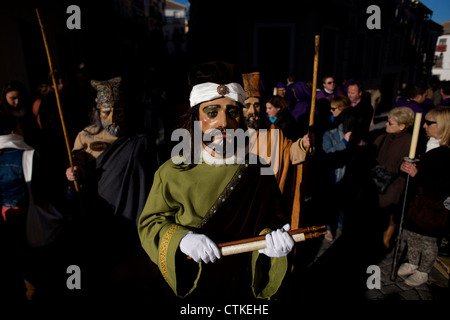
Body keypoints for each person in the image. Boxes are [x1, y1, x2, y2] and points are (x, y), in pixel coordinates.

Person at [138, 61, 295, 301]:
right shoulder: (171, 171)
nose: (223, 122)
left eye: (232, 112)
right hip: (194, 285)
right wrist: (181, 239)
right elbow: (150, 224)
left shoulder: (259, 167)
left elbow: (276, 215)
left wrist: (272, 240)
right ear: (197, 119)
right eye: (212, 112)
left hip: (244, 287)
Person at [65, 76, 159, 299]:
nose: (113, 117)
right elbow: (77, 164)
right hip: (102, 211)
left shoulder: (140, 139)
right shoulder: (86, 136)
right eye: (107, 112)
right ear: (97, 111)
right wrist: (73, 172)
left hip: (135, 210)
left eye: (118, 111)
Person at [242, 71, 310, 225]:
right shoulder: (230, 134)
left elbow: (288, 153)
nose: (253, 111)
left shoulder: (273, 130)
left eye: (257, 105)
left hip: (268, 202)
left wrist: (302, 144)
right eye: (247, 106)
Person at [398, 107, 450, 287]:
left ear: (443, 125)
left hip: (433, 205)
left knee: (427, 239)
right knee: (413, 234)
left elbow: (441, 183)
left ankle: (424, 270)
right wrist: (405, 167)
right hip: (418, 200)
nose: (424, 126)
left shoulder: (446, 153)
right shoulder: (425, 142)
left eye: (429, 123)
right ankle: (412, 261)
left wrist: (417, 174)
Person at [372, 107, 414, 248]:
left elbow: (407, 163)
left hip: (394, 184)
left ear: (402, 126)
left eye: (390, 123)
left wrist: (404, 166)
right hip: (377, 180)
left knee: (390, 214)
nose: (386, 125)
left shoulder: (409, 142)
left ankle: (386, 240)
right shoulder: (382, 137)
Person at [321, 95, 354, 241]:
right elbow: (328, 153)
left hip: (348, 173)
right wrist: (344, 142)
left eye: (333, 109)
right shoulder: (329, 132)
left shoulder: (352, 128)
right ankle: (329, 228)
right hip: (333, 173)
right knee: (330, 202)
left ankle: (343, 228)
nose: (331, 111)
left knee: (344, 203)